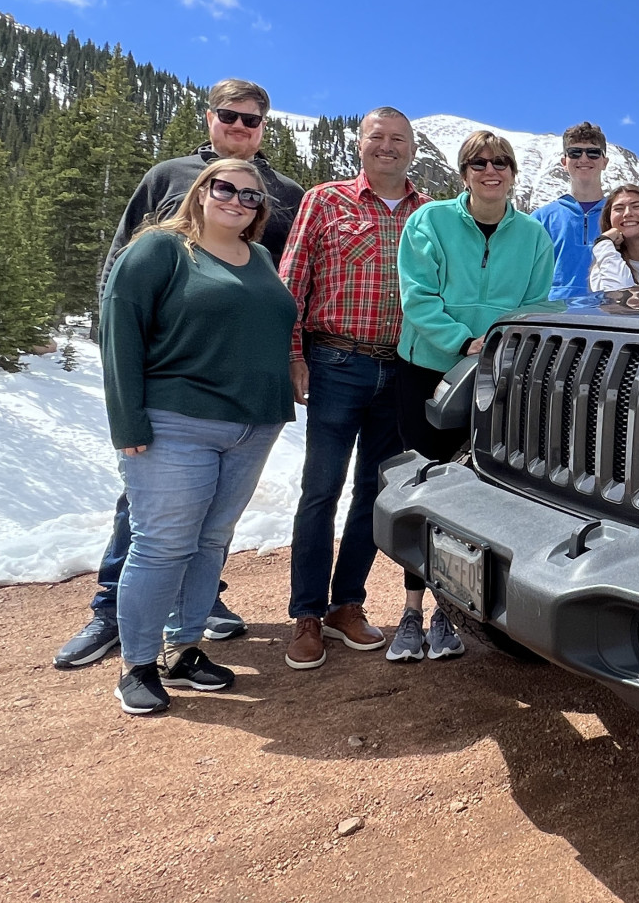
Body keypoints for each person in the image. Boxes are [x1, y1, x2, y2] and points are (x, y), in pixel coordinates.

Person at [54, 78, 305, 670]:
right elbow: (122, 271)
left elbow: (283, 287)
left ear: (265, 127)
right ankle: (110, 612)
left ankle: (193, 616)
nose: (240, 129)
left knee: (210, 524)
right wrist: (126, 380)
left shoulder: (285, 195)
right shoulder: (167, 178)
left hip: (246, 402)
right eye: (230, 117)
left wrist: (291, 355)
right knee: (149, 518)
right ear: (210, 117)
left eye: (252, 120)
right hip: (175, 394)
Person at [99, 158, 298, 715]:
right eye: (225, 188)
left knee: (212, 540)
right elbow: (120, 329)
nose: (237, 201)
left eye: (251, 196)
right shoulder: (161, 249)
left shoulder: (258, 257)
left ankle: (183, 649)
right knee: (163, 545)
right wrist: (127, 421)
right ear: (201, 190)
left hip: (253, 425)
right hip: (175, 422)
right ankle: (137, 664)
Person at [391, 130, 554, 660]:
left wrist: (499, 347)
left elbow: (534, 305)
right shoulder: (429, 222)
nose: (492, 169)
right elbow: (418, 297)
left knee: (478, 495)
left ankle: (448, 613)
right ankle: (410, 614)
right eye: (479, 162)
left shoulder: (532, 236)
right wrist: (465, 342)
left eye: (501, 162)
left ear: (512, 172)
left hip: (496, 380)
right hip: (431, 371)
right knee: (426, 490)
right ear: (464, 172)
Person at [279, 108, 428, 671]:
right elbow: (293, 279)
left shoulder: (431, 214)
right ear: (360, 144)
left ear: (412, 148)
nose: (387, 147)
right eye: (377, 138)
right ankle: (307, 615)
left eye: (398, 140)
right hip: (335, 362)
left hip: (402, 370)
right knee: (321, 489)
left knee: (374, 492)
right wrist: (294, 353)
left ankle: (347, 605)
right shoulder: (325, 200)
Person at [532, 121, 609, 300]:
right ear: (564, 162)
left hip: (608, 317)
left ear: (604, 162)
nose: (584, 159)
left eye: (593, 153)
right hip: (553, 318)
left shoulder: (619, 216)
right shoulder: (540, 219)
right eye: (575, 153)